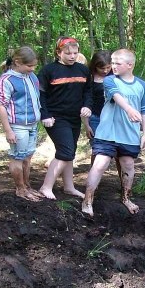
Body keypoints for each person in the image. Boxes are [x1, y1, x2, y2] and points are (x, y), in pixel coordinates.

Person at [81, 48, 145, 217]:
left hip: (129, 135)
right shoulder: (109, 81)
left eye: (117, 63)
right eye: (112, 63)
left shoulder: (142, 85)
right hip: (106, 132)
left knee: (128, 166)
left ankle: (126, 198)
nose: (112, 66)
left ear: (130, 65)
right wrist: (129, 109)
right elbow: (116, 96)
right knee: (99, 164)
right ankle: (87, 200)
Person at [38, 36, 92, 200]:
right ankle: (45, 187)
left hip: (74, 117)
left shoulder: (83, 70)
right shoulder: (48, 71)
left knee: (71, 152)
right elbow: (39, 95)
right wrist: (45, 115)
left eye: (75, 53)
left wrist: (87, 106)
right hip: (55, 118)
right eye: (68, 53)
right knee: (65, 150)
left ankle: (69, 187)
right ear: (58, 52)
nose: (72, 56)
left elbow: (88, 91)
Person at [0, 46, 44, 202]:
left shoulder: (31, 76)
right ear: (17, 62)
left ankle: (27, 185)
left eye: (34, 66)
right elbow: (1, 106)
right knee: (17, 157)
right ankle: (20, 188)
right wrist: (8, 130)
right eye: (29, 66)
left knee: (27, 157)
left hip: (33, 124)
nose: (33, 69)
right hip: (18, 126)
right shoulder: (6, 80)